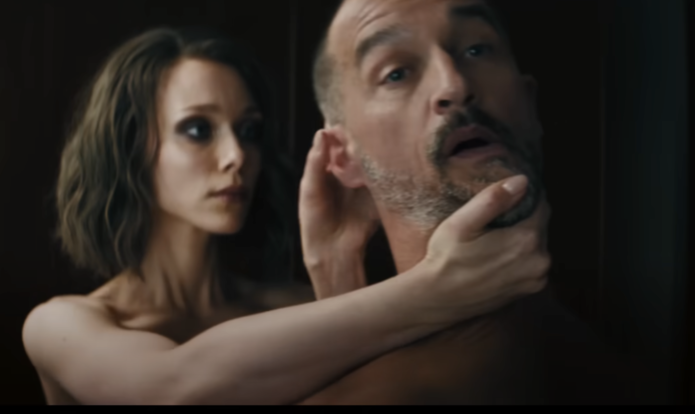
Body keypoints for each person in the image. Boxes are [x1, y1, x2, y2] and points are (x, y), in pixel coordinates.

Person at [21, 27, 549, 405]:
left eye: (249, 130)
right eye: (199, 129)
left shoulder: (293, 306)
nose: (237, 156)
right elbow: (171, 387)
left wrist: (336, 267)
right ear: (129, 148)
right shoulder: (63, 325)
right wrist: (440, 288)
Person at [298, 0, 659, 404]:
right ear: (343, 157)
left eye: (476, 49)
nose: (454, 85)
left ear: (529, 103)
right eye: (396, 73)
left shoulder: (613, 369)